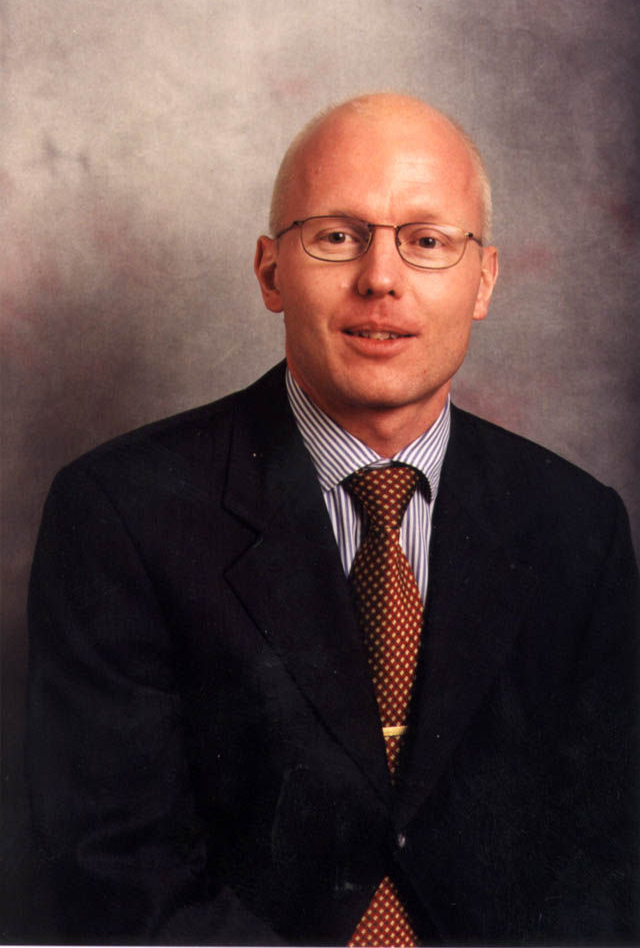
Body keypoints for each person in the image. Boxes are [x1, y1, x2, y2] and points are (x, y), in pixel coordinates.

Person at [27, 94, 638, 946]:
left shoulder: (579, 526)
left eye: (427, 240)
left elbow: (609, 864)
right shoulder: (120, 513)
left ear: (485, 280)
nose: (380, 277)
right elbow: (117, 872)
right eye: (338, 236)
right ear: (270, 271)